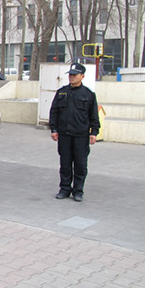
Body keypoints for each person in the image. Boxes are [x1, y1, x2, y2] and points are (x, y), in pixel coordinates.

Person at [49, 62, 100, 202]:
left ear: (82, 76)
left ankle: (78, 191)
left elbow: (94, 115)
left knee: (80, 165)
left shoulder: (88, 94)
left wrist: (94, 132)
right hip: (64, 135)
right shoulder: (62, 92)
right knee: (65, 164)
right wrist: (54, 129)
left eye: (75, 75)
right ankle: (65, 189)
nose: (71, 77)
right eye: (70, 75)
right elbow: (54, 112)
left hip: (81, 136)